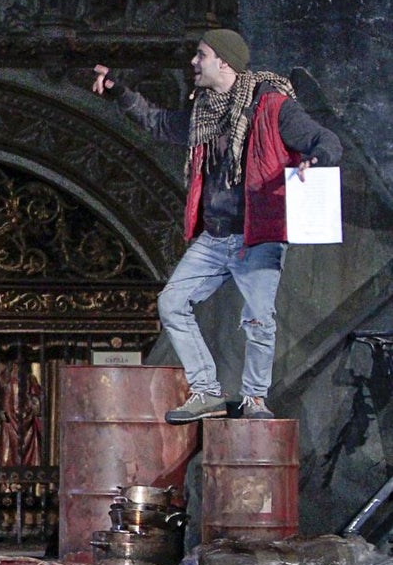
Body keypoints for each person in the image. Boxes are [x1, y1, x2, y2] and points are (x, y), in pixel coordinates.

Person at [91, 29, 342, 424]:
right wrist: (119, 91)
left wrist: (317, 158)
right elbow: (158, 123)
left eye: (201, 55)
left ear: (224, 62)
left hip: (257, 236)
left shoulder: (270, 105)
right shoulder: (204, 112)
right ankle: (206, 390)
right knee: (172, 303)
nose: (194, 62)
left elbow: (324, 139)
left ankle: (255, 398)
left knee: (258, 319)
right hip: (216, 236)